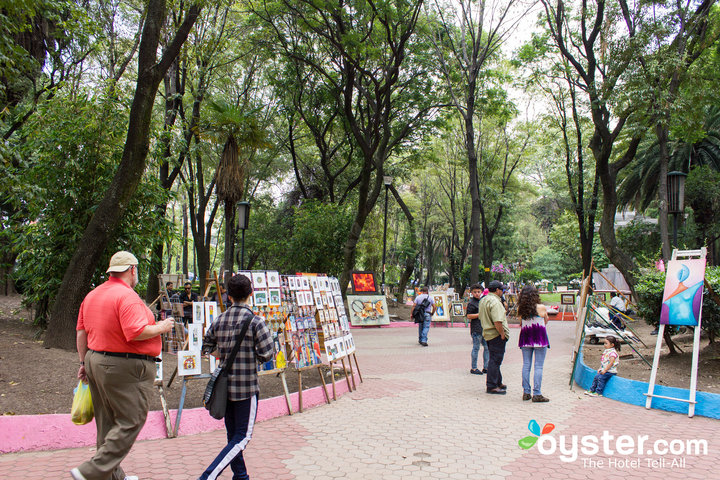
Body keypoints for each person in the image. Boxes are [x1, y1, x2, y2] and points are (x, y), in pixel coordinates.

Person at [71, 251, 175, 480]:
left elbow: (81, 332)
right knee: (131, 419)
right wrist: (162, 326)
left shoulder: (93, 295)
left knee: (107, 423)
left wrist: (83, 362)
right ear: (132, 270)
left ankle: (112, 476)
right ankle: (90, 471)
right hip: (125, 367)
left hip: (95, 360)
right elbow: (135, 331)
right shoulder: (127, 296)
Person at [199, 274, 273, 480]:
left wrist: (222, 353)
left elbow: (206, 347)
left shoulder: (220, 319)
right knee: (243, 437)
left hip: (224, 388)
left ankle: (241, 476)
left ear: (229, 296)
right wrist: (250, 356)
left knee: (233, 436)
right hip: (246, 388)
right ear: (251, 293)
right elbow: (267, 353)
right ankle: (207, 476)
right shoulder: (256, 322)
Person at [517, 285, 550, 403]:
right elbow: (546, 321)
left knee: (526, 365)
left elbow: (521, 322)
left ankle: (526, 392)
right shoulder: (541, 307)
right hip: (539, 338)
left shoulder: (521, 308)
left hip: (525, 338)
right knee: (538, 366)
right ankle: (537, 393)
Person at [479, 280, 509, 395]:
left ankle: (498, 381)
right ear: (497, 290)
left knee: (494, 358)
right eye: (502, 289)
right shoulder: (495, 302)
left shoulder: (484, 299)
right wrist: (502, 334)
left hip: (487, 333)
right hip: (496, 334)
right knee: (495, 360)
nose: (503, 292)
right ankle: (491, 385)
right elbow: (497, 321)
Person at [466, 283, 489, 375]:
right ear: (471, 292)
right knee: (476, 348)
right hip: (476, 329)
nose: (477, 294)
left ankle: (486, 367)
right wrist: (479, 314)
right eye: (475, 292)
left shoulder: (483, 301)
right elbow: (468, 316)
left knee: (487, 348)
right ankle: (474, 367)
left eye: (478, 292)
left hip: (484, 328)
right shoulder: (472, 303)